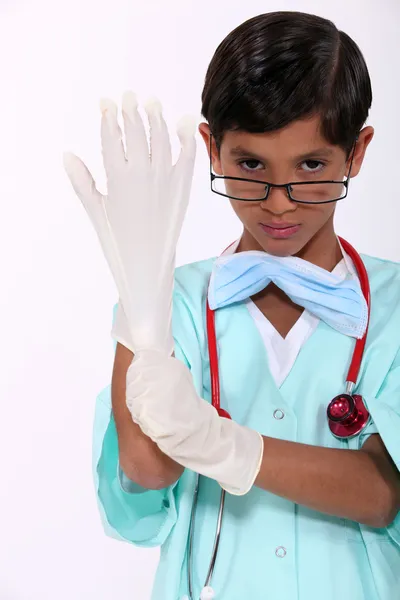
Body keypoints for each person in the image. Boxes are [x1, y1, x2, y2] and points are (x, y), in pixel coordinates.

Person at [65, 10, 400, 600]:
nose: (277, 203)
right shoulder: (166, 303)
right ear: (211, 149)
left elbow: (380, 494)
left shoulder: (394, 309)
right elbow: (147, 469)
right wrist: (143, 320)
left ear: (357, 152)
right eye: (250, 166)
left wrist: (219, 443)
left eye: (312, 166)